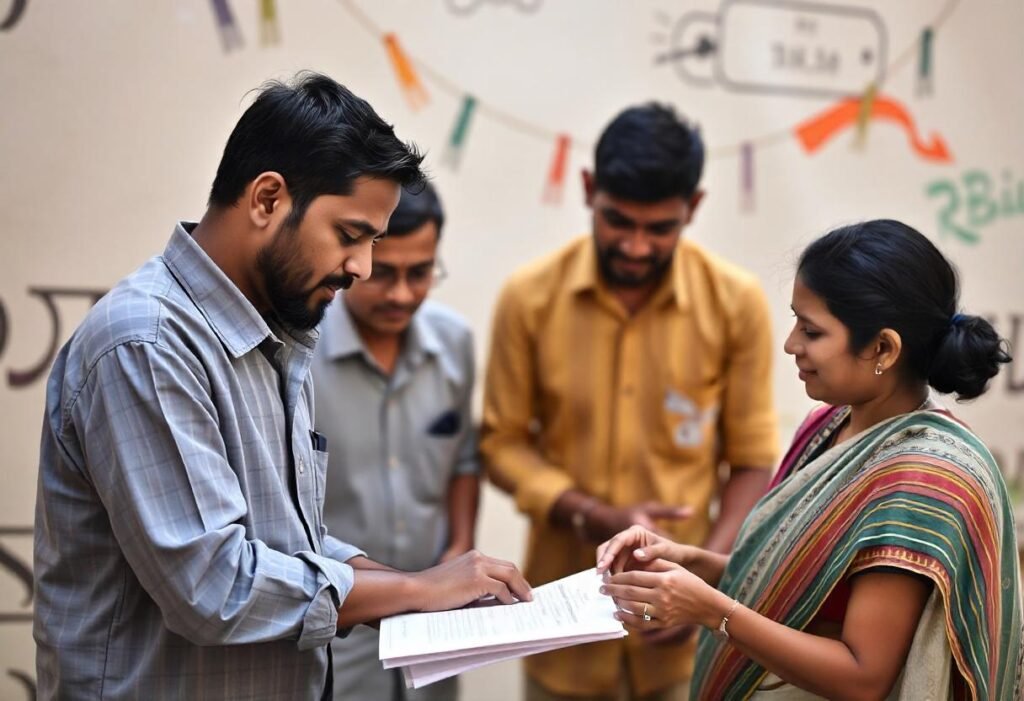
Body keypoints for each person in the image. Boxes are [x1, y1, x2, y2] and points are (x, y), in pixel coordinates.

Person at [33, 72, 530, 701]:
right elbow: (214, 587)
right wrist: (416, 590)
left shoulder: (270, 331)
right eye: (351, 236)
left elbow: (288, 543)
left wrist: (427, 586)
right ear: (267, 199)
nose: (363, 268)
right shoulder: (147, 343)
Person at [597, 220, 1023, 700]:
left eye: (812, 330)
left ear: (883, 347)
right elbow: (797, 580)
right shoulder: (827, 426)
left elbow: (863, 676)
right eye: (796, 320)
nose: (791, 344)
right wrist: (691, 562)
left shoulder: (919, 479)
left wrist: (710, 610)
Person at [481, 103, 779, 700]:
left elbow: (751, 463)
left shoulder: (736, 304)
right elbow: (501, 444)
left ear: (692, 208)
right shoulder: (529, 297)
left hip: (681, 648)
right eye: (618, 221)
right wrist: (591, 513)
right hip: (560, 631)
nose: (637, 246)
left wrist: (697, 583)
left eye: (660, 228)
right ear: (589, 191)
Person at [311, 182, 480, 701]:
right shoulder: (299, 354)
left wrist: (457, 550)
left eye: (420, 273)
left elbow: (465, 461)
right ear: (356, 260)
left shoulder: (455, 342)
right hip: (335, 637)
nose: (401, 293)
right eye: (384, 273)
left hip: (437, 635)